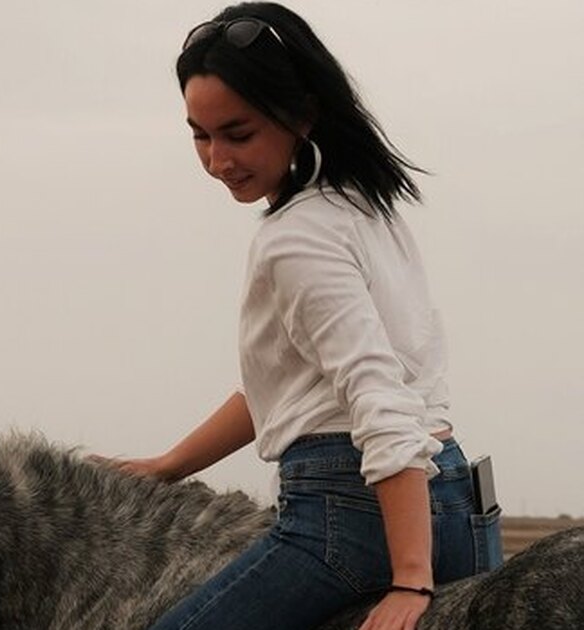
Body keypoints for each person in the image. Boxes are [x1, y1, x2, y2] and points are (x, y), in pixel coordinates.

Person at [96, 4, 502, 630]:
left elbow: (376, 397)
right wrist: (170, 465)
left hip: (354, 516)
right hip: (456, 502)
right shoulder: (364, 206)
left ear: (301, 115)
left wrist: (411, 582)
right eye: (200, 135)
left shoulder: (296, 238)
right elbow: (291, 393)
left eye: (238, 133)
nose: (217, 159)